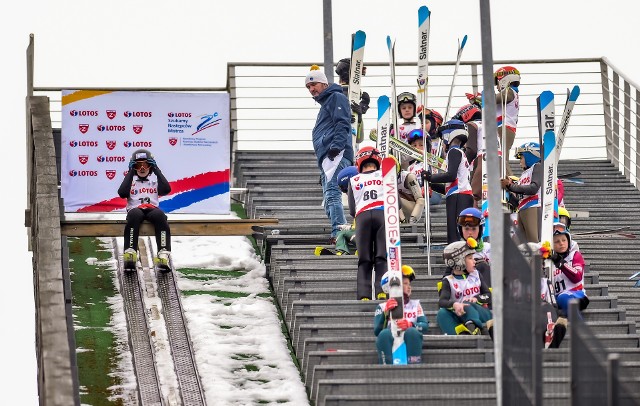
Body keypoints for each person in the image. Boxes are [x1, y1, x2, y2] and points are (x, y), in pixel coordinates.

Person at [305, 65, 354, 244]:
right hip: (328, 158)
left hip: (336, 154)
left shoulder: (336, 97)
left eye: (314, 85)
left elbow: (343, 123)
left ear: (324, 83)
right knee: (328, 199)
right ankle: (340, 230)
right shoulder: (328, 102)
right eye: (309, 87)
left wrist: (336, 146)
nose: (311, 89)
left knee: (332, 194)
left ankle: (339, 233)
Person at [118, 149, 172, 271]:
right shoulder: (130, 181)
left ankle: (163, 253)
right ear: (133, 167)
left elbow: (166, 190)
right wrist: (131, 172)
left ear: (150, 166)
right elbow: (122, 193)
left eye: (146, 165)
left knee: (160, 216)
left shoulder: (154, 181)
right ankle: (130, 252)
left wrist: (156, 169)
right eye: (138, 165)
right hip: (135, 209)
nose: (142, 168)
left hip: (151, 209)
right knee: (134, 215)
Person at [421, 119, 474, 243]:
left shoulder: (454, 152)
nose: (443, 143)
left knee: (455, 233)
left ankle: (459, 257)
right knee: (456, 231)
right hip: (460, 195)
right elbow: (448, 187)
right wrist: (431, 183)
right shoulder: (460, 153)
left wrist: (431, 177)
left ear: (448, 136)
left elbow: (450, 175)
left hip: (459, 196)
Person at [347, 146, 386, 300]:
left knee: (364, 259)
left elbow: (351, 209)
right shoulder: (385, 175)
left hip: (362, 217)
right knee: (381, 256)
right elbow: (396, 203)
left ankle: (363, 295)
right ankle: (382, 291)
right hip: (382, 214)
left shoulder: (353, 179)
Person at [374, 265, 429, 364]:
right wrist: (385, 314)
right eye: (405, 283)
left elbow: (425, 326)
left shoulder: (415, 305)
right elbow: (377, 331)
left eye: (409, 284)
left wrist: (410, 325)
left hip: (409, 338)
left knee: (412, 332)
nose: (409, 287)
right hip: (391, 340)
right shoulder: (382, 307)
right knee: (384, 334)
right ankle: (386, 366)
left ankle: (414, 365)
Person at [437, 240, 493, 336]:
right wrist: (454, 304)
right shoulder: (448, 280)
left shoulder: (476, 275)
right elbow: (442, 302)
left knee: (467, 304)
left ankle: (474, 326)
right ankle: (461, 335)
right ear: (459, 261)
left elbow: (489, 295)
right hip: (460, 314)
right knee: (442, 313)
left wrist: (477, 299)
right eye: (470, 258)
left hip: (482, 313)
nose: (474, 261)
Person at [500, 142, 543, 243]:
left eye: (521, 157)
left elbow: (533, 188)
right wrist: (506, 188)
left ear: (530, 155)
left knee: (533, 241)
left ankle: (538, 259)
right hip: (523, 208)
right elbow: (518, 201)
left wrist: (511, 186)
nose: (520, 161)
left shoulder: (538, 167)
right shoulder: (524, 174)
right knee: (518, 243)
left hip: (533, 207)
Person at [549, 228, 589, 318]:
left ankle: (579, 327)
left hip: (578, 295)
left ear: (569, 241)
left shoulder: (575, 255)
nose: (561, 243)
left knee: (563, 297)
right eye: (556, 241)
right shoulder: (548, 262)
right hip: (557, 299)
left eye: (564, 240)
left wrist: (561, 263)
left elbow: (577, 277)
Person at [335, 58, 370, 144]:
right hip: (334, 149)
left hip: (349, 151)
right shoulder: (333, 96)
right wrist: (342, 120)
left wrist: (359, 118)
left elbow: (359, 139)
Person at [494, 66, 521, 177]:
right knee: (501, 157)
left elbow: (493, 99)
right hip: (506, 127)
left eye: (497, 81)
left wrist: (478, 98)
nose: (497, 86)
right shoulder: (513, 93)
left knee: (502, 159)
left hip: (504, 127)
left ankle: (511, 182)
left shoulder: (509, 92)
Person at [456, 207, 491, 285]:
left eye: (474, 229)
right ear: (461, 230)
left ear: (481, 230)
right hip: (464, 291)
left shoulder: (488, 248)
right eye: (466, 229)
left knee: (482, 265)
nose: (470, 233)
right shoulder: (455, 250)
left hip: (486, 291)